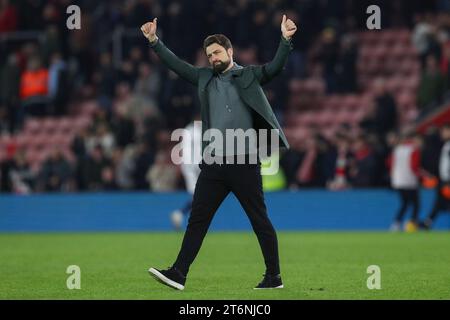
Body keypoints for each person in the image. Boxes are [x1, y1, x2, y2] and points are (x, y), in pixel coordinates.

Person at [141, 14, 297, 290]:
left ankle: (274, 277)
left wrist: (285, 40)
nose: (212, 58)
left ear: (230, 51)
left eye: (217, 52)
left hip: (245, 163)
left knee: (259, 220)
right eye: (209, 54)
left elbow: (275, 68)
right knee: (197, 221)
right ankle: (178, 273)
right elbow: (176, 65)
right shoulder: (203, 77)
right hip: (213, 165)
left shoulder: (248, 75)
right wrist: (154, 41)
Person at [170, 114, 202, 230]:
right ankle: (181, 214)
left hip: (197, 167)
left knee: (200, 196)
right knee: (198, 196)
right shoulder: (189, 131)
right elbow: (187, 152)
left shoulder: (203, 130)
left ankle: (181, 214)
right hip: (192, 168)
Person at [388, 132, 422, 232]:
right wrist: (423, 177)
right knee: (416, 204)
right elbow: (414, 167)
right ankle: (411, 224)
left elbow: (390, 164)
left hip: (398, 180)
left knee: (405, 203)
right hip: (410, 181)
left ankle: (396, 223)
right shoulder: (414, 150)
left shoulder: (397, 150)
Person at [420, 124, 450, 230]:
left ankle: (428, 222)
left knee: (439, 203)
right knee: (439, 202)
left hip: (447, 180)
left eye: (445, 131)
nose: (443, 133)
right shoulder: (444, 145)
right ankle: (428, 222)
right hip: (443, 180)